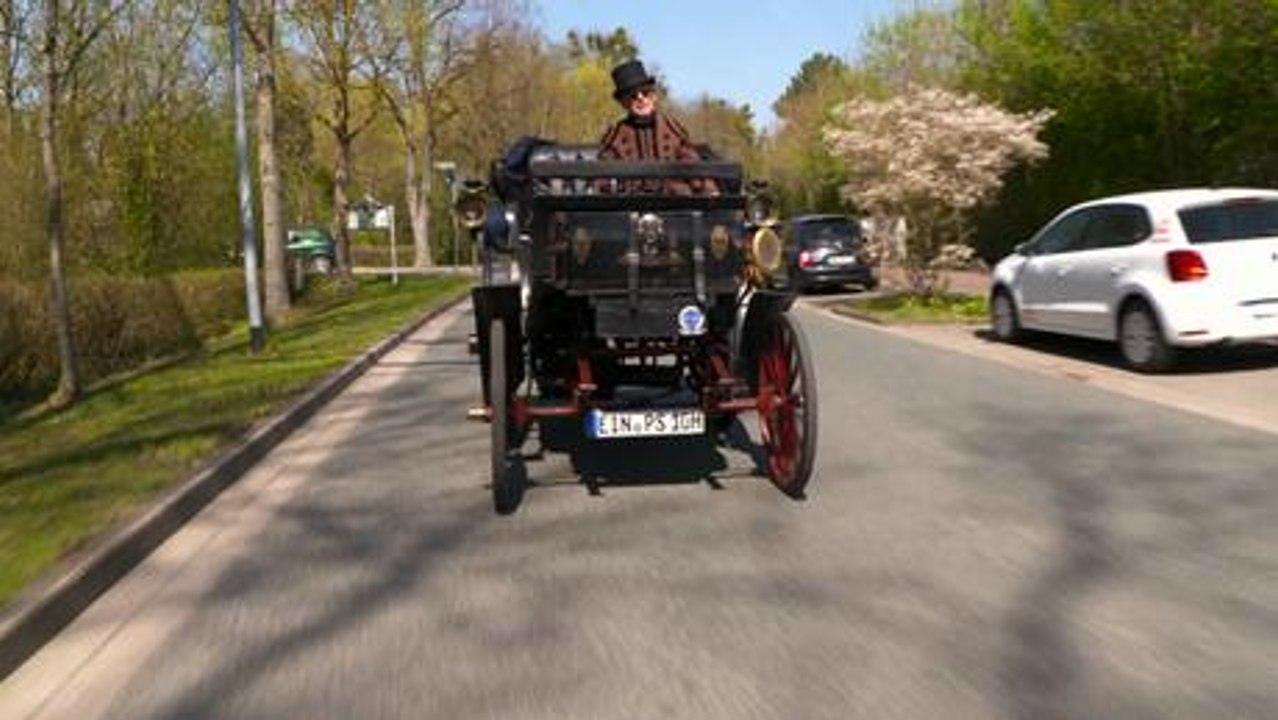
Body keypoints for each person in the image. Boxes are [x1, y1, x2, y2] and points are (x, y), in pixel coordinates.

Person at [597, 59, 715, 195]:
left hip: (672, 205)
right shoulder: (614, 136)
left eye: (645, 93)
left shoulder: (672, 129)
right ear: (624, 102)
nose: (641, 98)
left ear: (653, 96)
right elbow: (603, 179)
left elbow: (692, 166)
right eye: (633, 96)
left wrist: (710, 192)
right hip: (631, 206)